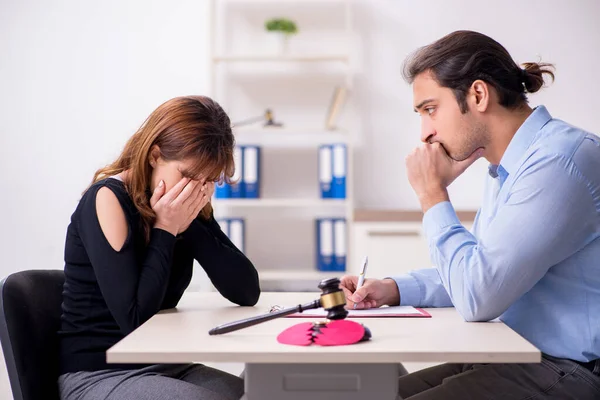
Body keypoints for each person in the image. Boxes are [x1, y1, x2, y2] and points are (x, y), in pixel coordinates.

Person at [341, 30, 600, 399]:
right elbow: (480, 269)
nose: (425, 133)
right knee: (374, 393)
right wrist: (394, 289)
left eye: (430, 110)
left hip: (566, 370)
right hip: (516, 356)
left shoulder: (559, 164)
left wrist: (432, 194)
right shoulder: (511, 167)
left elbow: (478, 294)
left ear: (478, 95)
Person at [57, 95, 260, 400]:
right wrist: (165, 228)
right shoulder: (107, 200)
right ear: (154, 156)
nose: (195, 189)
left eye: (207, 180)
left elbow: (246, 292)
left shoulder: (186, 204)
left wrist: (187, 222)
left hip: (167, 366)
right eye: (188, 176)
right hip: (99, 373)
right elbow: (136, 322)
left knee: (261, 392)